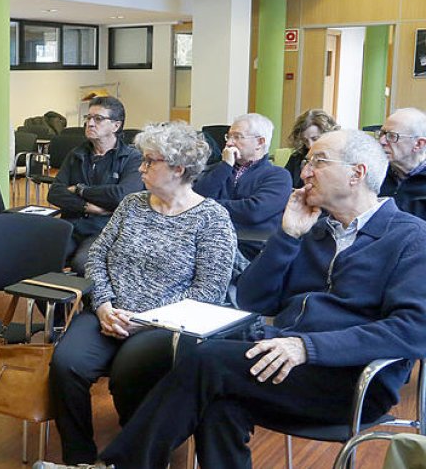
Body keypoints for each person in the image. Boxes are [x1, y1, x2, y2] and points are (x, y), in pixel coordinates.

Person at [35, 129, 426, 469]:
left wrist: (307, 346)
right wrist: (287, 237)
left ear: (356, 174)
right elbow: (255, 298)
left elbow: (414, 330)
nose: (304, 172)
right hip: (285, 365)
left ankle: (118, 465)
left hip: (351, 380)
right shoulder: (317, 231)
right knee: (219, 405)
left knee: (206, 360)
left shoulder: (409, 237)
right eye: (306, 161)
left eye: (317, 162)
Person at [48, 122, 236, 465]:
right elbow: (97, 255)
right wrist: (103, 306)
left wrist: (143, 322)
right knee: (66, 364)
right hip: (109, 312)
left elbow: (207, 291)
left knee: (127, 374)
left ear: (178, 169)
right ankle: (80, 458)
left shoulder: (212, 219)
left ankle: (135, 456)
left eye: (150, 161)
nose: (141, 168)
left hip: (164, 328)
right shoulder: (133, 204)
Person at [47, 96, 143, 274]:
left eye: (98, 119)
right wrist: (88, 207)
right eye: (88, 118)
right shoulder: (76, 154)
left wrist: (79, 189)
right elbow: (55, 193)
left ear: (116, 125)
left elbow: (122, 196)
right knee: (40, 259)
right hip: (71, 226)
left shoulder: (132, 158)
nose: (90, 123)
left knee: (83, 264)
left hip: (105, 230)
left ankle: (93, 303)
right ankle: (58, 302)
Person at [193, 112, 292, 242]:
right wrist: (225, 166)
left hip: (250, 246)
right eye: (228, 137)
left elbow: (254, 212)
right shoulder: (218, 170)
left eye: (237, 137)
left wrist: (208, 206)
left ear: (259, 142)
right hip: (211, 241)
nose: (228, 143)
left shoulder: (278, 176)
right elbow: (195, 200)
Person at [377, 107, 426, 221]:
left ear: (418, 144)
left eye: (392, 136)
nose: (382, 141)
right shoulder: (374, 175)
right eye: (382, 133)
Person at [283, 108, 339, 189]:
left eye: (315, 139)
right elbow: (285, 185)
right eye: (305, 140)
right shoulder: (296, 158)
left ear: (328, 134)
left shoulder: (338, 159)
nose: (310, 145)